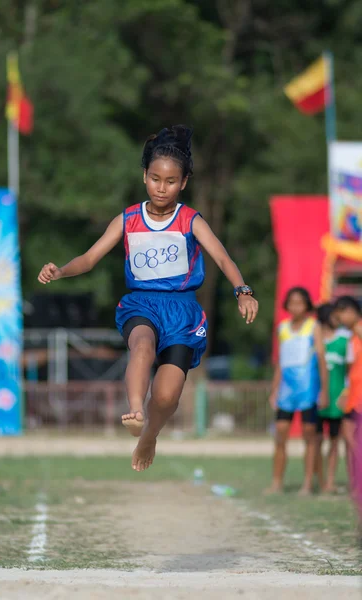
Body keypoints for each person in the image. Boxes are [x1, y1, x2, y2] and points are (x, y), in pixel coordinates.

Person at [37, 125, 259, 472]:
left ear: (183, 183)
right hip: (141, 304)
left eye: (170, 181)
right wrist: (61, 270)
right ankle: (135, 410)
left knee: (169, 394)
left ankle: (150, 434)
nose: (161, 187)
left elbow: (222, 258)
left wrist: (242, 291)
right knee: (142, 346)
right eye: (155, 179)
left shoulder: (190, 220)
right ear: (145, 177)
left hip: (182, 312)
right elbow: (90, 258)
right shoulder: (127, 219)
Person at [266, 287, 328, 496]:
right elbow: (280, 364)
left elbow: (321, 359)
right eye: (292, 303)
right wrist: (274, 391)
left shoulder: (314, 326)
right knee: (280, 436)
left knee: (309, 437)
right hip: (286, 392)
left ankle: (308, 484)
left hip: (308, 390)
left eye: (300, 303)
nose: (296, 307)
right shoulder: (282, 328)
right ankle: (276, 482)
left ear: (307, 305)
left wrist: (324, 391)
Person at [314, 303, 349, 493]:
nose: (339, 320)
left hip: (337, 400)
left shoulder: (345, 338)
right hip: (317, 398)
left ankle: (330, 481)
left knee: (334, 441)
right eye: (335, 316)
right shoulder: (315, 339)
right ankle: (318, 480)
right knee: (317, 440)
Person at [332, 295, 362, 492]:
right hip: (353, 394)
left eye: (340, 314)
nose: (339, 319)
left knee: (353, 440)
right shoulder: (352, 335)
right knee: (349, 438)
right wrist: (346, 391)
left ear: (350, 311)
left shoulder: (359, 330)